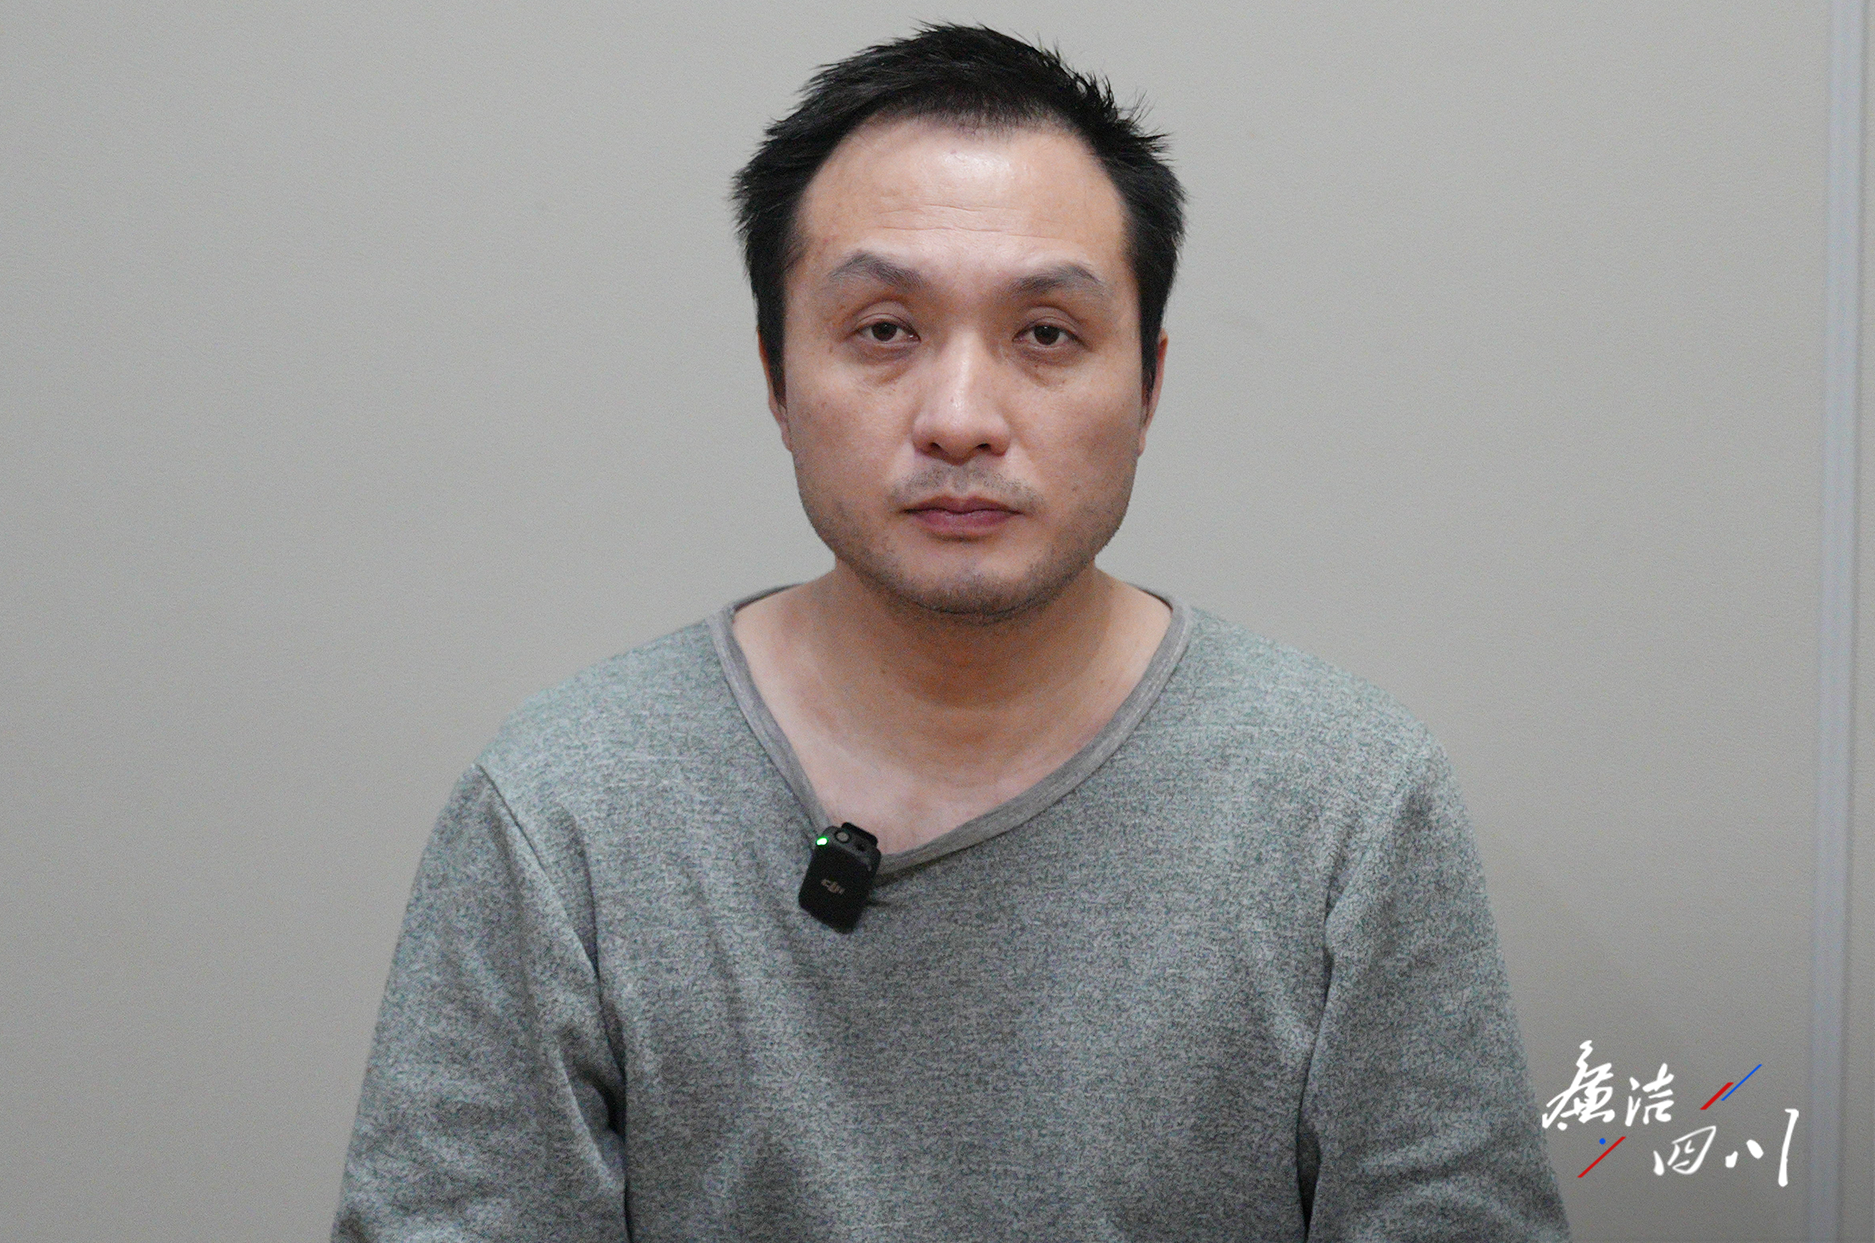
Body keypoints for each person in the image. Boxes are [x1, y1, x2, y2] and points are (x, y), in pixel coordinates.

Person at [333, 24, 1570, 1242]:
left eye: (1047, 334)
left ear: (1148, 385)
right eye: (884, 330)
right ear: (776, 378)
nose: (962, 417)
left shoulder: (1346, 801)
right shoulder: (566, 810)